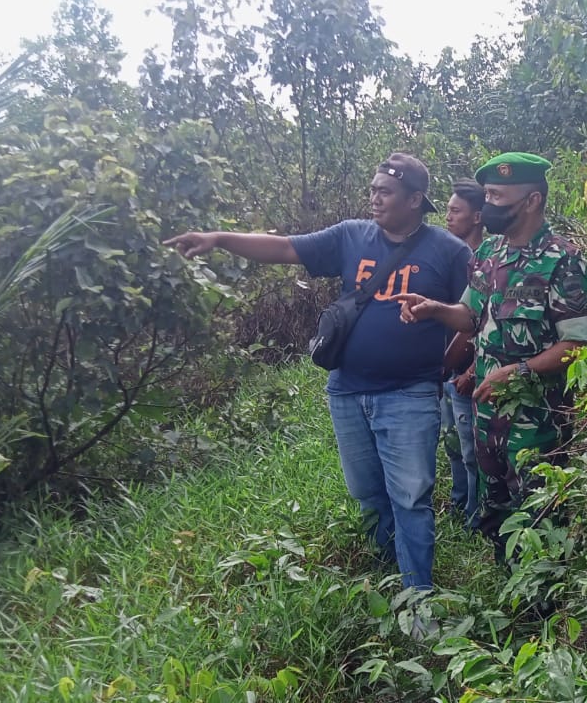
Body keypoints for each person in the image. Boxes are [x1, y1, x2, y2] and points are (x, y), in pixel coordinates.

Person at [165, 153, 471, 590]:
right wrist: (218, 238)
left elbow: (474, 315)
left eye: (384, 192)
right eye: (372, 190)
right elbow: (286, 247)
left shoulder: (449, 250)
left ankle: (418, 596)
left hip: (409, 394)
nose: (374, 199)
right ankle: (390, 576)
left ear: (415, 199)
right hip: (346, 391)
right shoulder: (352, 236)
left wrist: (438, 312)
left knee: (411, 497)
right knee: (368, 494)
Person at [393, 152, 587, 566]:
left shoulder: (565, 262)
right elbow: (470, 315)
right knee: (497, 516)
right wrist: (433, 308)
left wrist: (519, 370)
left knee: (540, 515)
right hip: (487, 414)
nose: (487, 207)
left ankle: (544, 609)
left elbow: (578, 345)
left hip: (538, 420)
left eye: (496, 196)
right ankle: (511, 592)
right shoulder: (490, 252)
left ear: (531, 201)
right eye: (485, 195)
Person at [440, 178, 486, 528]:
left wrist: (470, 371)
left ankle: (476, 516)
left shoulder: (485, 263)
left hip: (467, 372)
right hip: (443, 370)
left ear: (477, 217)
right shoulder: (445, 257)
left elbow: (483, 323)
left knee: (472, 450)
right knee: (453, 443)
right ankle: (459, 505)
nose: (448, 217)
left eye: (456, 211)